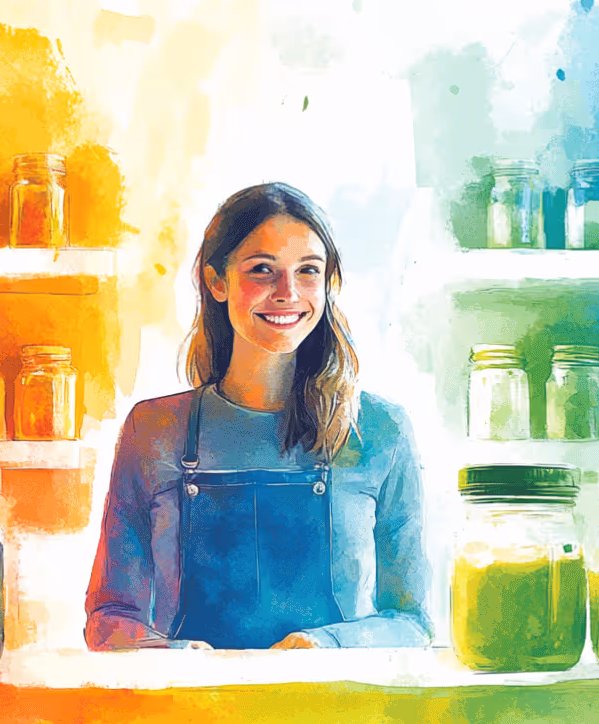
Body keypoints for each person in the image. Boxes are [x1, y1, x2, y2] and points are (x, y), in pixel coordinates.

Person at [84, 182, 431, 650]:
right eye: (263, 270)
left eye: (307, 271)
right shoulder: (154, 430)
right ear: (216, 282)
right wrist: (170, 655)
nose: (287, 293)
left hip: (341, 714)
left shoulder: (380, 431)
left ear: (328, 285)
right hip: (191, 714)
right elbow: (109, 617)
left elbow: (411, 622)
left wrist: (323, 646)